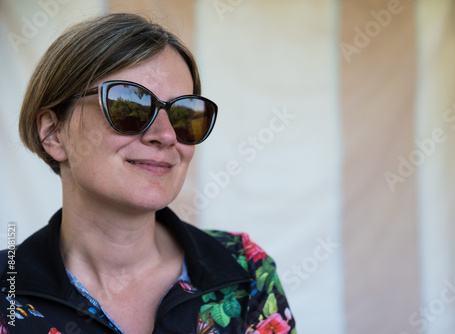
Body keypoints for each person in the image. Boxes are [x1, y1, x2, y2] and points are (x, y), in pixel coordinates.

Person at [0, 13, 295, 334]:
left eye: (185, 114)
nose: (167, 135)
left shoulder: (246, 272)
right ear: (53, 133)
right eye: (130, 106)